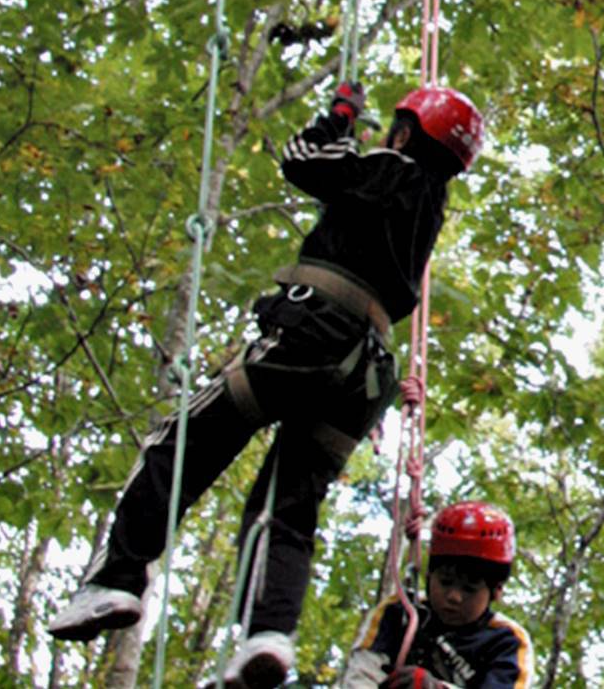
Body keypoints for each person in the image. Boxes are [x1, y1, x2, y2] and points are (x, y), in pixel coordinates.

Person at [46, 83, 484, 689]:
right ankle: (268, 636)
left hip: (313, 337)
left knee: (181, 441)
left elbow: (302, 159)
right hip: (361, 375)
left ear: (407, 135)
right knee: (287, 506)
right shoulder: (427, 208)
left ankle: (116, 580)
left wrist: (338, 117)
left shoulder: (391, 168)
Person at [339, 501, 533, 689]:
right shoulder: (399, 613)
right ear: (429, 577)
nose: (454, 597)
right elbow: (361, 676)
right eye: (445, 582)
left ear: (495, 592)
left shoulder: (506, 642)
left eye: (469, 589)